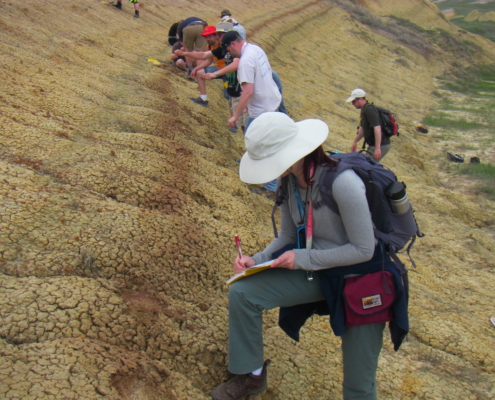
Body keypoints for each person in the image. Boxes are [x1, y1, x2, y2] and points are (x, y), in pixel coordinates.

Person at [210, 112, 408, 400]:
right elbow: (288, 237)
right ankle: (251, 376)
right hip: (319, 270)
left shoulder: (343, 183)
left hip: (362, 279)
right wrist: (256, 259)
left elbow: (364, 250)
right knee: (242, 292)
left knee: (358, 384)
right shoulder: (288, 180)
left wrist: (302, 259)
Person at [221, 31, 283, 133]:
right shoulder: (256, 49)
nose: (230, 54)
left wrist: (235, 116)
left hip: (261, 111)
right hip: (273, 102)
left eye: (228, 50)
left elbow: (247, 92)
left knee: (251, 140)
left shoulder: (245, 61)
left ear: (233, 44)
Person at [175, 22, 233, 107]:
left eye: (209, 36)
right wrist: (196, 68)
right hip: (218, 69)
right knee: (199, 72)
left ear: (215, 36)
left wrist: (185, 54)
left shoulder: (221, 45)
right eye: (206, 37)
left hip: (227, 71)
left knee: (228, 96)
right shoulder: (209, 46)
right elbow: (208, 60)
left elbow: (203, 55)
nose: (208, 39)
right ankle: (203, 98)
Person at [347, 88, 391, 162]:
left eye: (354, 101)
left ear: (360, 99)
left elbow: (377, 128)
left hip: (381, 145)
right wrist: (355, 141)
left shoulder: (369, 110)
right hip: (375, 145)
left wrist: (377, 148)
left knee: (366, 166)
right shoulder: (364, 109)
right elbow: (363, 129)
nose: (352, 104)